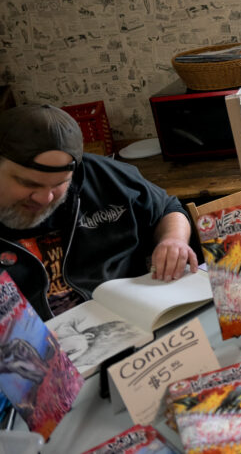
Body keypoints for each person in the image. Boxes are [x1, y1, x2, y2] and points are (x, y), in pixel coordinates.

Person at [0, 104, 198, 320]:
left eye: (59, 184)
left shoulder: (103, 176)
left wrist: (174, 240)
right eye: (28, 183)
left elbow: (168, 208)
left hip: (128, 318)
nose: (45, 198)